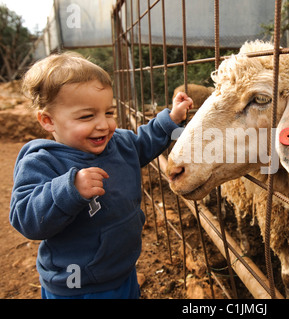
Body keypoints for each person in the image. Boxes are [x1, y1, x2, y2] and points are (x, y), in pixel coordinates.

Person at [9, 52, 193, 299]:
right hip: (77, 285)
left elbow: (144, 141)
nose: (104, 125)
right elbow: (26, 219)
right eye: (87, 116)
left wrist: (171, 119)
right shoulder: (42, 162)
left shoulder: (120, 144)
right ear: (48, 120)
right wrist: (68, 190)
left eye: (109, 112)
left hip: (122, 268)